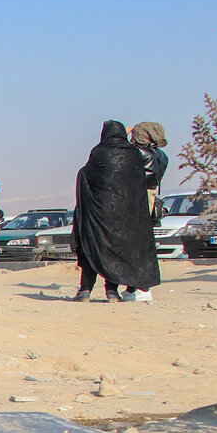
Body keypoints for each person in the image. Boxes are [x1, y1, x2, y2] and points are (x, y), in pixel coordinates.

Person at [71, 120, 160, 303]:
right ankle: (112, 292)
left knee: (92, 250)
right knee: (115, 253)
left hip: (98, 214)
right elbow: (139, 184)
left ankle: (85, 291)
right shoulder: (133, 154)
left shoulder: (98, 152)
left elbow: (86, 176)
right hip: (124, 218)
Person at [123, 121, 169, 302]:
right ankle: (135, 287)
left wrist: (123, 133)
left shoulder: (139, 153)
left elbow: (116, 148)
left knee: (135, 247)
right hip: (151, 200)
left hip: (137, 202)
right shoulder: (162, 155)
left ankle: (141, 287)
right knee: (142, 245)